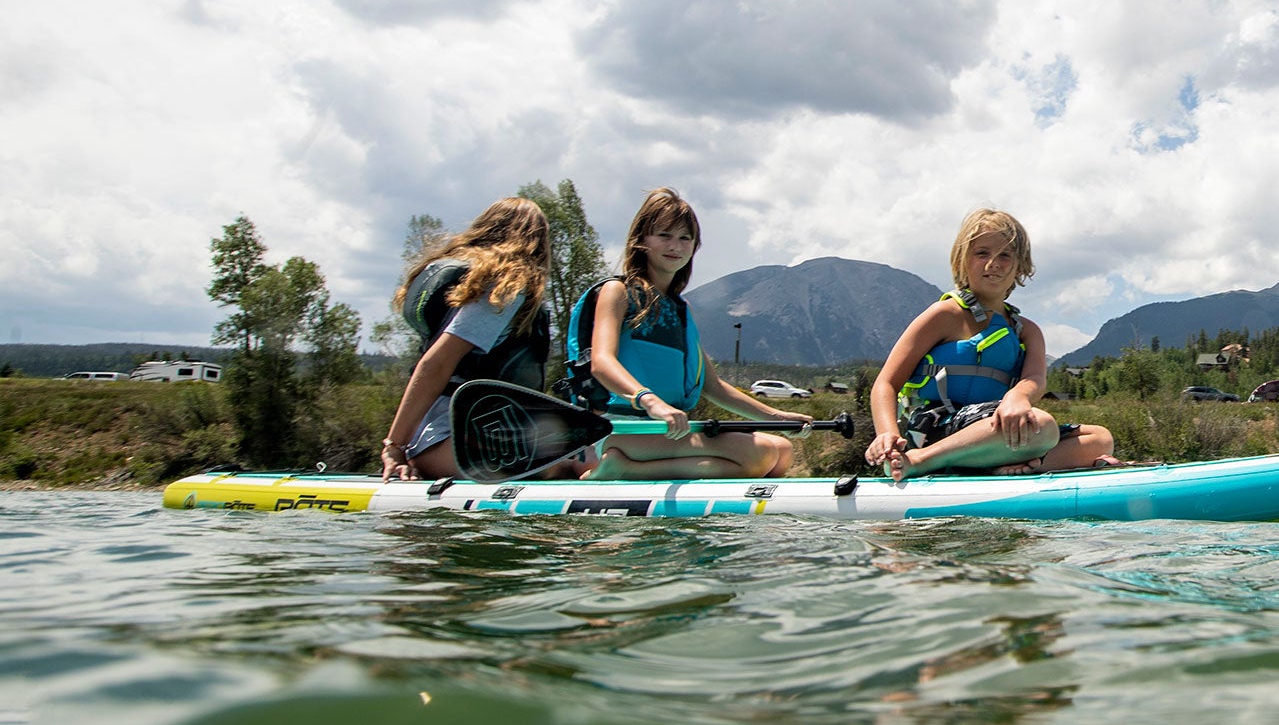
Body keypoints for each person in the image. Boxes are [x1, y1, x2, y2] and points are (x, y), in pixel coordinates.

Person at [568, 187, 813, 479]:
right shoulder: (617, 292)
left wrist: (777, 418)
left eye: (685, 238)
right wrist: (651, 401)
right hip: (624, 429)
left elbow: (713, 386)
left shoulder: (681, 310)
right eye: (664, 235)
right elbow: (601, 362)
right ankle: (622, 468)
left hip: (668, 432)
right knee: (760, 454)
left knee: (782, 450)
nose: (675, 246)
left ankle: (634, 472)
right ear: (641, 240)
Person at [867, 208, 1118, 480]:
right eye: (982, 253)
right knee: (1042, 425)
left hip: (998, 426)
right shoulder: (944, 315)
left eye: (1005, 256)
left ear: (1020, 266)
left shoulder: (1027, 330)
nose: (993, 263)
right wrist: (887, 434)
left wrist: (1018, 397)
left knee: (1099, 438)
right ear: (962, 261)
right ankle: (920, 461)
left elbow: (1034, 378)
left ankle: (995, 468)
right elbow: (886, 384)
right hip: (938, 427)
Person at [382, 196, 573, 482]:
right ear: (537, 244)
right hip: (446, 441)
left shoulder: (481, 283)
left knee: (571, 457)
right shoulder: (504, 292)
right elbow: (436, 363)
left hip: (456, 438)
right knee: (573, 467)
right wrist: (394, 447)